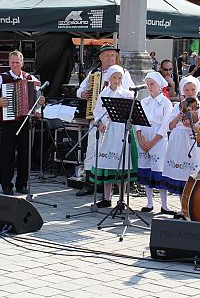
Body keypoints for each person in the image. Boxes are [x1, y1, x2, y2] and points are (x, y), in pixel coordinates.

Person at [75, 43, 135, 196]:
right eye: (107, 55)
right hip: (96, 118)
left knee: (111, 152)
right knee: (92, 150)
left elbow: (130, 93)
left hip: (115, 123)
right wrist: (82, 94)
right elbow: (80, 89)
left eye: (113, 55)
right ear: (101, 57)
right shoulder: (94, 73)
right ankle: (89, 183)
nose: (111, 58)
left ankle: (111, 186)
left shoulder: (123, 73)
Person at [0, 51, 45, 195]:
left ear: (22, 63)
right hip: (8, 121)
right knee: (7, 153)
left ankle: (22, 184)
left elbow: (37, 101)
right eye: (12, 62)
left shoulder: (30, 78)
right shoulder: (2, 78)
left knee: (25, 153)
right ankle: (6, 184)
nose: (14, 65)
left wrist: (41, 101)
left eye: (17, 63)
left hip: (26, 121)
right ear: (9, 63)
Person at [160, 76, 200, 209]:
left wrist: (193, 125)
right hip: (178, 142)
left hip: (193, 143)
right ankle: (183, 208)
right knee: (179, 175)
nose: (190, 92)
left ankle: (193, 208)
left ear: (197, 90)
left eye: (193, 89)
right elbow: (169, 126)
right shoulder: (177, 106)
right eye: (186, 90)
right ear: (183, 91)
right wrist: (178, 118)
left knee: (192, 175)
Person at [90, 65, 135, 208]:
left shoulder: (126, 94)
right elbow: (97, 111)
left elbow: (130, 113)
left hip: (121, 131)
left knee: (121, 164)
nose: (117, 80)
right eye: (114, 77)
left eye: (119, 78)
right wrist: (100, 124)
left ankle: (121, 199)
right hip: (107, 132)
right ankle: (106, 197)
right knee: (107, 163)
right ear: (109, 78)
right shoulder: (104, 93)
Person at [135, 72, 175, 214]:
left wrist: (152, 142)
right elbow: (137, 122)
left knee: (159, 170)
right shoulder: (143, 102)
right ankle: (149, 202)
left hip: (158, 140)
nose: (149, 87)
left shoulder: (165, 103)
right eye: (148, 84)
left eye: (152, 84)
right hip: (144, 138)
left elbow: (164, 126)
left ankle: (164, 205)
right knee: (147, 169)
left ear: (159, 85)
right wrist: (140, 140)